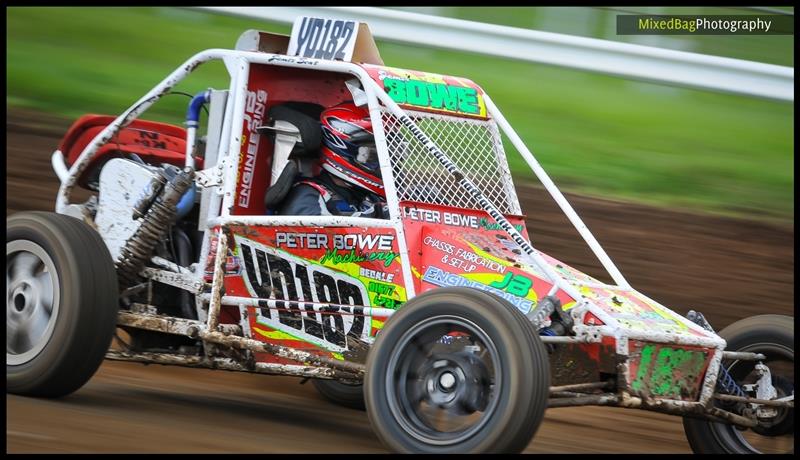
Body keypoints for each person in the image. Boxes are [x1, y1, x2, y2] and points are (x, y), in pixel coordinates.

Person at [279, 102, 389, 218]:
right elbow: (320, 233)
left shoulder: (369, 197)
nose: (382, 161)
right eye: (371, 154)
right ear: (341, 149)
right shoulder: (308, 194)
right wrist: (378, 214)